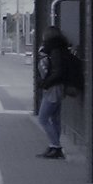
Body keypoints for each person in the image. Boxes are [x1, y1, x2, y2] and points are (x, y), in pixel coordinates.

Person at [37, 26, 71, 159]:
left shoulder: (54, 51)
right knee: (55, 119)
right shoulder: (60, 49)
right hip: (57, 87)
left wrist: (45, 83)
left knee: (43, 118)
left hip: (53, 88)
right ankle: (54, 147)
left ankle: (56, 146)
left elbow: (57, 71)